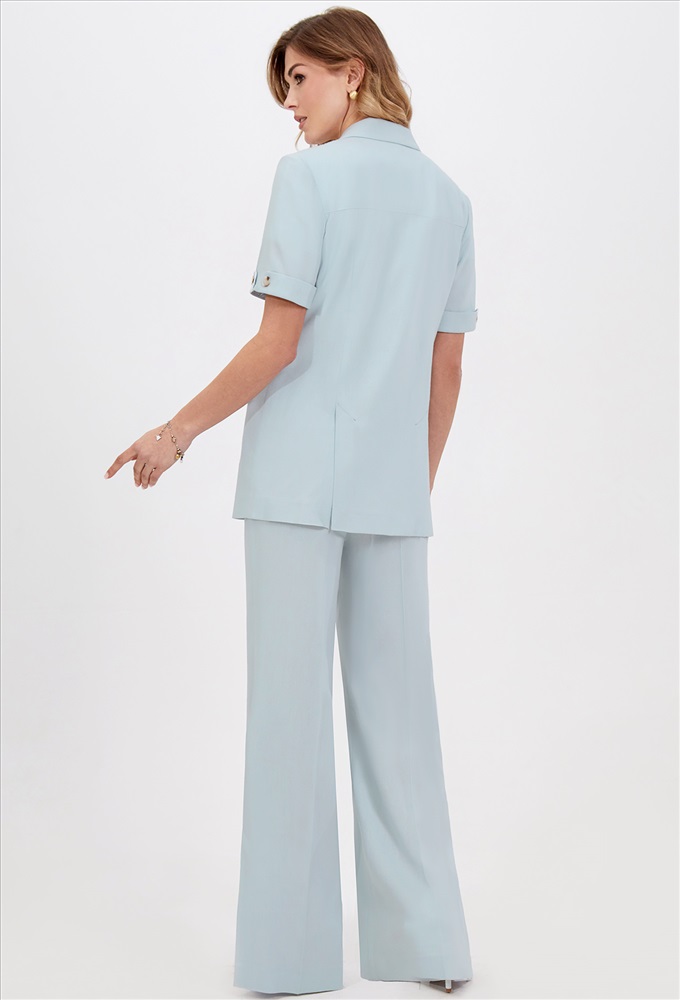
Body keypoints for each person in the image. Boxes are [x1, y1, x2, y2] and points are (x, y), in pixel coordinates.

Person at [104, 6, 477, 996]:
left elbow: (279, 343)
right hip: (392, 489)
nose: (289, 101)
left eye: (300, 78)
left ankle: (287, 960)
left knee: (287, 718)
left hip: (295, 486)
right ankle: (431, 950)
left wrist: (176, 431)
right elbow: (445, 370)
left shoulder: (308, 178)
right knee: (400, 719)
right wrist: (411, 481)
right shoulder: (448, 199)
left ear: (353, 73)